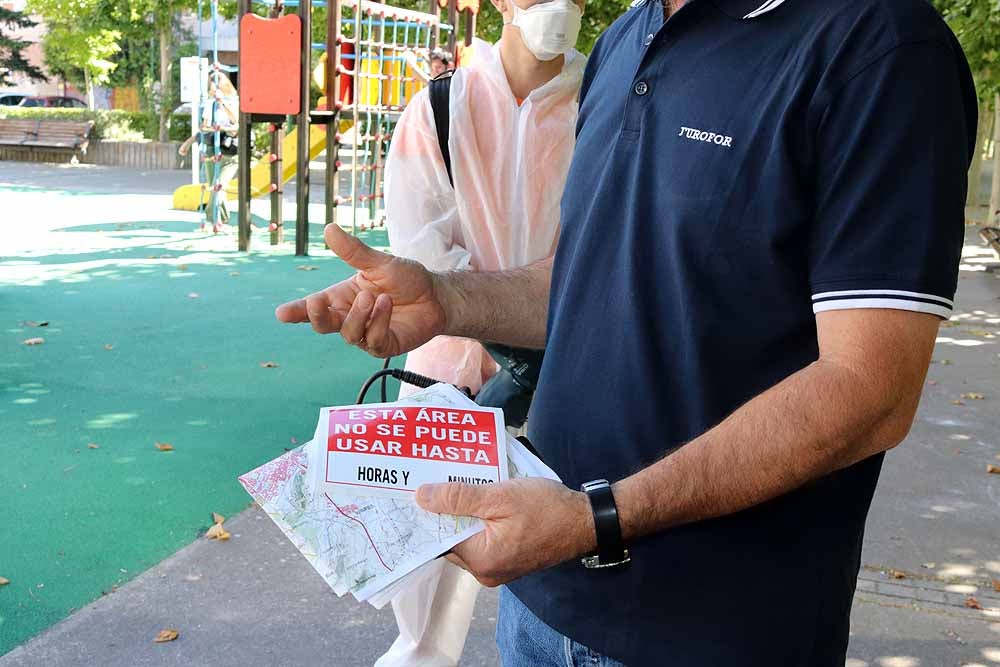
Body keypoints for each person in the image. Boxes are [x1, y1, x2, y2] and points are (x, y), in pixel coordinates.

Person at [276, 0, 978, 664]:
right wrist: (446, 299)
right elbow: (588, 275)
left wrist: (596, 519)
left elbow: (870, 388)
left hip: (713, 632)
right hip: (540, 600)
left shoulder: (879, 47)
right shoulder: (624, 40)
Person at [376, 0, 585, 663]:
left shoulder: (608, 98)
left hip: (571, 369)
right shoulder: (442, 108)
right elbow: (420, 251)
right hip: (448, 375)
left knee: (569, 571)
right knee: (427, 579)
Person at [178, 72, 239, 231]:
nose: (213, 93)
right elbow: (204, 127)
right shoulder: (210, 104)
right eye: (211, 90)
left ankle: (219, 219)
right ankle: (215, 220)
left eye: (215, 89)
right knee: (214, 186)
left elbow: (236, 124)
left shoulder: (233, 101)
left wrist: (223, 106)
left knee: (220, 186)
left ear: (223, 88)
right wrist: (211, 127)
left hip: (230, 152)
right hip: (213, 150)